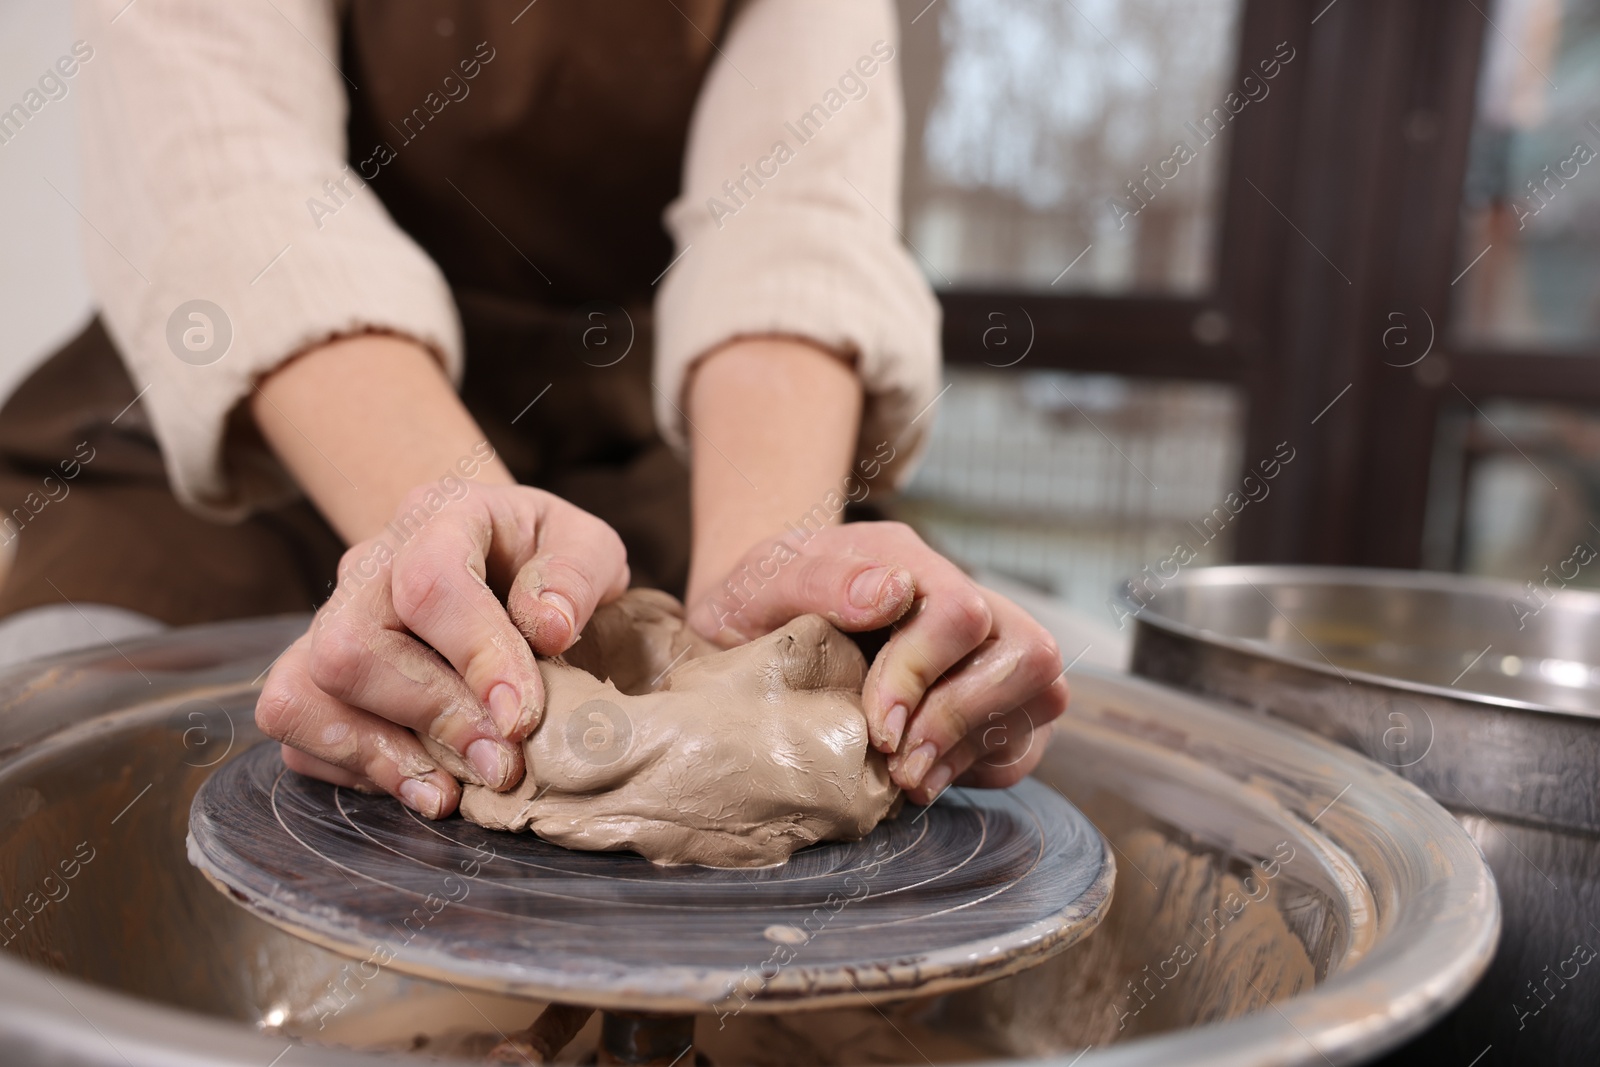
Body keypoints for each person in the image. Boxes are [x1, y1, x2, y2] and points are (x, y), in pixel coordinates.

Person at [0, 0, 1066, 816]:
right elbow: (232, 178)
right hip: (267, 413)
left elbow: (791, 220)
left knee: (1003, 697)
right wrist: (452, 542)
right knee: (60, 726)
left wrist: (766, 596)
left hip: (631, 426)